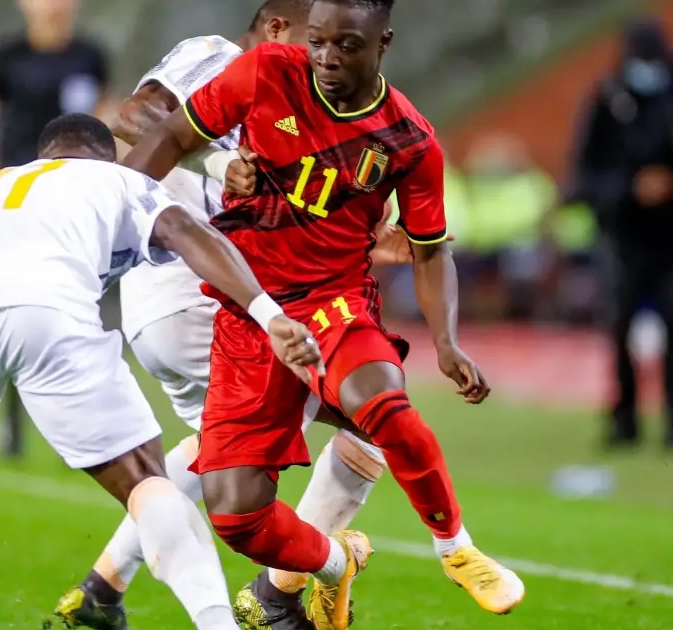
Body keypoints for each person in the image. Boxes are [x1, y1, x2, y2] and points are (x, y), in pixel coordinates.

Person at [0, 113, 362, 630]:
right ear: (105, 157)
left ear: (44, 156)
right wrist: (268, 314)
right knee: (147, 485)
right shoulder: (116, 180)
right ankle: (215, 622)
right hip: (45, 312)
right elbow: (188, 233)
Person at [120, 0, 525, 626]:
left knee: (380, 404)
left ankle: (457, 549)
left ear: (383, 43)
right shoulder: (264, 72)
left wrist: (446, 342)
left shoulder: (409, 139)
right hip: (249, 312)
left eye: (347, 46)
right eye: (319, 42)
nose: (328, 59)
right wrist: (110, 214)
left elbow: (429, 249)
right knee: (236, 514)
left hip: (333, 303)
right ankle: (334, 562)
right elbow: (169, 134)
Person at [50, 3, 436, 629]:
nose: (324, 59)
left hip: (184, 302)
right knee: (377, 418)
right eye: (314, 40)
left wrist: (365, 237)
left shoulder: (301, 107)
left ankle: (103, 588)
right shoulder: (219, 56)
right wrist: (214, 161)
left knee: (220, 446)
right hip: (198, 293)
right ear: (277, 29)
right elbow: (136, 116)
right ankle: (281, 590)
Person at [0, 0, 111, 457]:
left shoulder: (89, 55)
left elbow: (105, 122)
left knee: (76, 308)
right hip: (18, 197)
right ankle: (11, 419)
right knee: (18, 306)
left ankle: (81, 423)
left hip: (74, 197)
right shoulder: (8, 55)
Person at [568, 19, 673, 448]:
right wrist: (630, 189)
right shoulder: (607, 103)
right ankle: (624, 418)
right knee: (621, 325)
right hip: (622, 236)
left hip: (671, 235)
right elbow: (585, 173)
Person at [0, 0, 111, 175]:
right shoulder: (9, 56)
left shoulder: (89, 57)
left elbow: (104, 116)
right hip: (19, 171)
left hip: (75, 172)